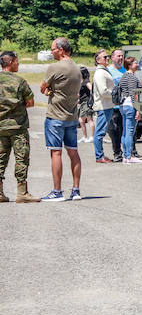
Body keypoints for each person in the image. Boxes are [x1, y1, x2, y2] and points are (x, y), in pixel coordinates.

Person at [40, 37, 83, 202]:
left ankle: (57, 191)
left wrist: (50, 90)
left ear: (61, 50)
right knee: (73, 152)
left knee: (56, 152)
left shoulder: (55, 67)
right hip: (72, 116)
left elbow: (43, 88)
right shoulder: (77, 68)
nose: (51, 52)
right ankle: (76, 190)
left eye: (53, 49)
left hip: (56, 116)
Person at [0, 51, 40, 203]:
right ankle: (22, 193)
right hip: (18, 127)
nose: (18, 64)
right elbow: (30, 102)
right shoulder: (20, 81)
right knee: (21, 158)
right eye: (17, 61)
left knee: (0, 159)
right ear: (11, 62)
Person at [118, 57, 142, 164]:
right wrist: (138, 110)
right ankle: (129, 156)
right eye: (135, 63)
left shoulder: (124, 76)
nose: (137, 65)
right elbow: (134, 94)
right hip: (130, 105)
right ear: (129, 65)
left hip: (123, 105)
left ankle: (125, 156)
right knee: (130, 132)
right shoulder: (132, 77)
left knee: (125, 132)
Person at [91, 49, 114, 163]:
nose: (107, 58)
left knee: (101, 131)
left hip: (107, 105)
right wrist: (114, 94)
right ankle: (99, 156)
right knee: (100, 132)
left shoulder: (104, 70)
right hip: (103, 106)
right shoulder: (100, 73)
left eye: (107, 56)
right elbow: (103, 91)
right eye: (105, 57)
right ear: (98, 60)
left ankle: (100, 155)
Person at [107, 49, 127, 162]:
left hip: (125, 106)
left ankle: (130, 152)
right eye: (118, 56)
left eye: (122, 56)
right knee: (114, 131)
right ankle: (117, 152)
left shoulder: (125, 71)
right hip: (113, 106)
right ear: (112, 57)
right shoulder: (108, 71)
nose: (121, 58)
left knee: (126, 130)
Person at [77, 66, 95, 144]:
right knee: (81, 120)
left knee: (89, 119)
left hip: (87, 102)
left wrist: (91, 97)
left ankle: (92, 137)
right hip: (82, 103)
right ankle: (85, 137)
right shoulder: (80, 81)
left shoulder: (86, 81)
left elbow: (91, 89)